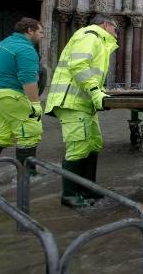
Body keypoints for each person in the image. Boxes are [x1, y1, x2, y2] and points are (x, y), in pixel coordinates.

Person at [45, 14, 118, 208]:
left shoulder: (99, 41)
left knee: (93, 144)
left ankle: (88, 188)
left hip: (84, 103)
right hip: (72, 101)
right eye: (115, 28)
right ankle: (69, 195)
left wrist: (98, 95)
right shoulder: (90, 35)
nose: (116, 33)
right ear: (105, 24)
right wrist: (96, 92)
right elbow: (78, 66)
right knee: (78, 147)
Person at [0, 18, 44, 186]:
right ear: (29, 30)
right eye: (40, 32)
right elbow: (28, 79)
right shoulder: (25, 49)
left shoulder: (2, 44)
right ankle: (28, 178)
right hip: (10, 96)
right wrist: (35, 105)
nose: (42, 36)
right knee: (30, 131)